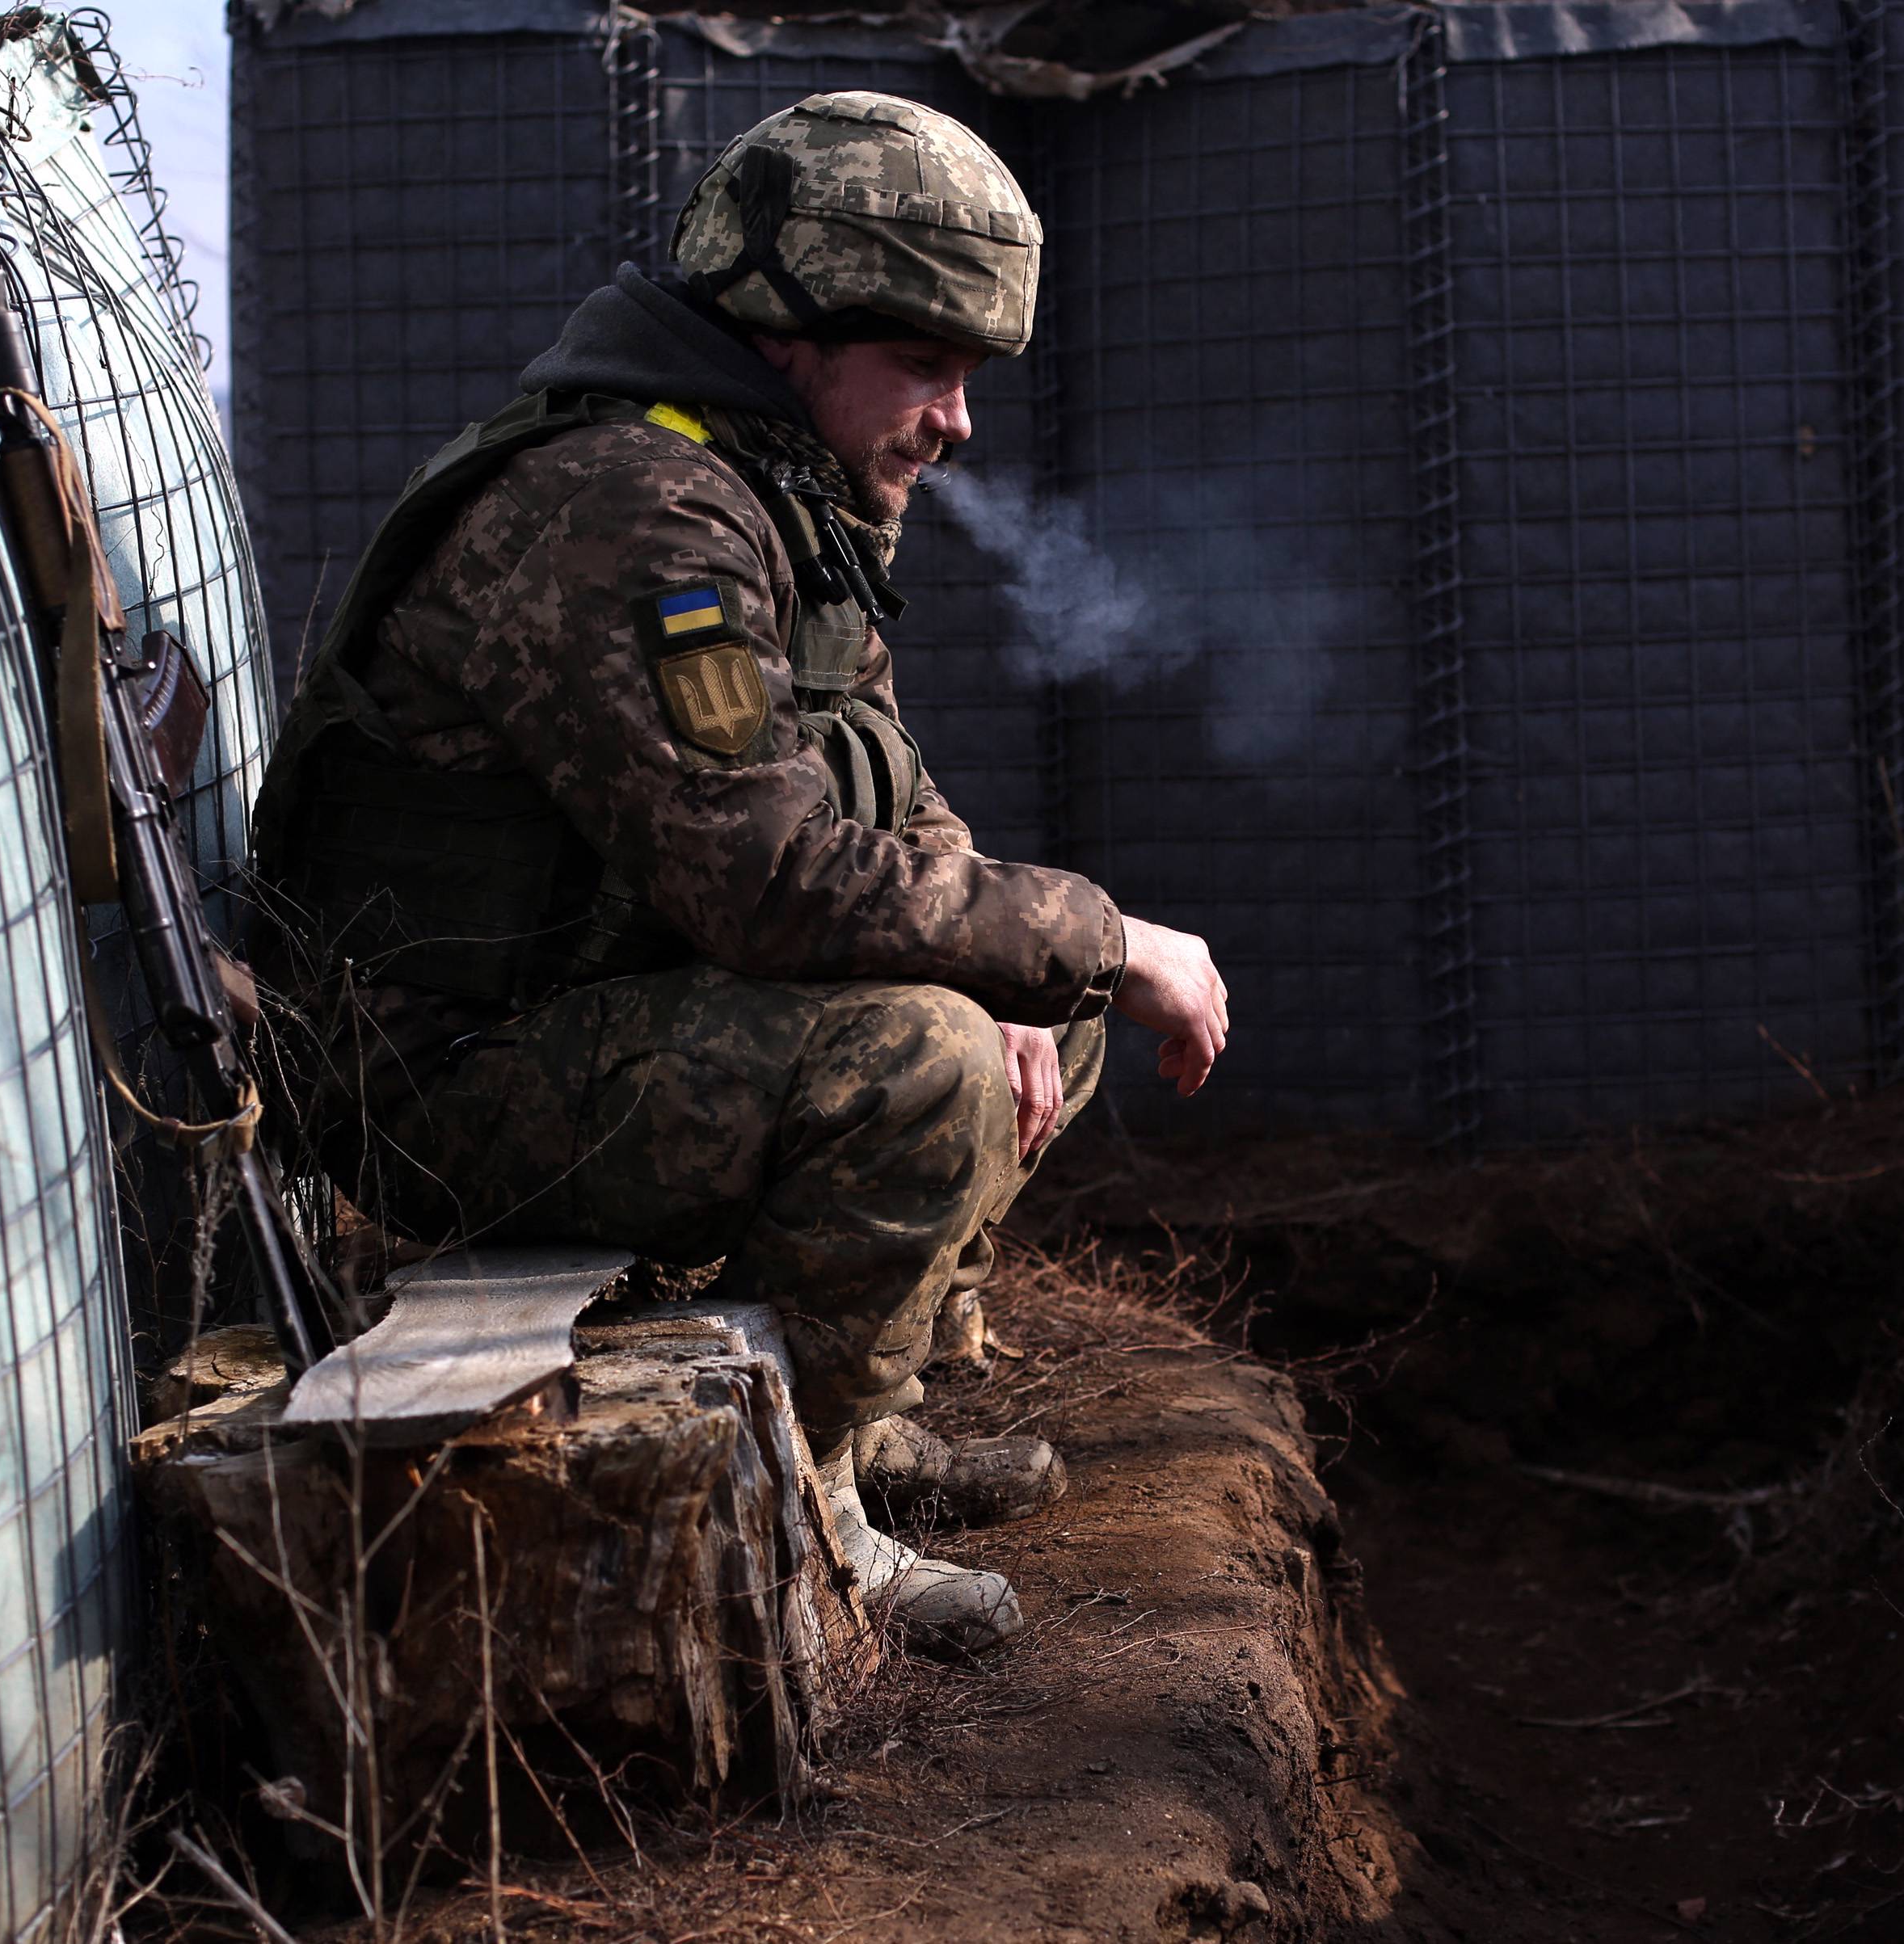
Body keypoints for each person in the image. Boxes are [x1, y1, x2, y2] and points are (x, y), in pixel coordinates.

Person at [249, 92, 1228, 1653]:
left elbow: (898, 801)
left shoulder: (777, 494)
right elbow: (765, 878)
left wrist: (1056, 961)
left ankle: (863, 1407)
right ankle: (806, 1520)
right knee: (925, 1059)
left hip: (600, 1017)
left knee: (1047, 997)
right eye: (926, 365)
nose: (959, 420)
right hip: (441, 1076)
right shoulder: (643, 509)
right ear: (790, 333)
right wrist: (1093, 939)